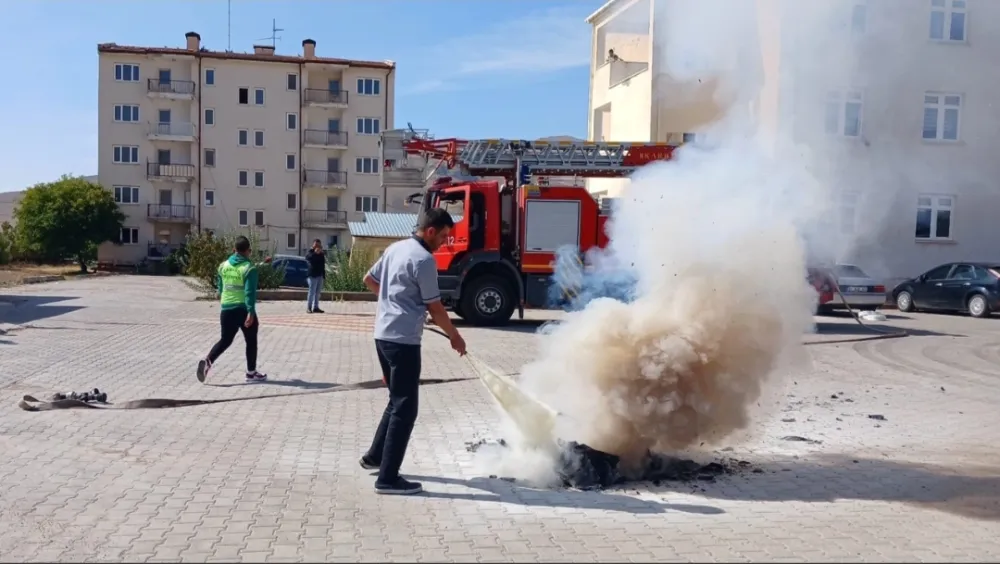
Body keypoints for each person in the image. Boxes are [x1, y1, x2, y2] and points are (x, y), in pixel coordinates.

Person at [359, 208, 467, 495]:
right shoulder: (424, 260)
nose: (445, 242)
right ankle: (387, 479)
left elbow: (368, 279)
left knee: (396, 400)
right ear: (430, 231)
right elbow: (435, 306)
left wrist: (394, 303)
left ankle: (375, 457)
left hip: (382, 335)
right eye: (443, 236)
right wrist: (454, 336)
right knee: (406, 408)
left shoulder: (396, 248)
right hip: (403, 342)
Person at [197, 235, 269, 383]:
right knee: (251, 340)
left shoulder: (223, 266)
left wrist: (223, 300)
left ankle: (208, 361)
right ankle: (251, 373)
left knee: (225, 340)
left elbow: (220, 286)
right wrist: (251, 311)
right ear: (249, 250)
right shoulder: (249, 268)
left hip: (226, 308)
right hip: (242, 309)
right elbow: (250, 293)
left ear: (233, 250)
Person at [305, 239, 326, 313]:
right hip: (312, 275)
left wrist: (323, 275)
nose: (317, 246)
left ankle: (316, 307)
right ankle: (309, 307)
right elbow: (308, 258)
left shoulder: (321, 254)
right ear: (313, 245)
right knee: (312, 292)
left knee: (318, 293)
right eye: (316, 245)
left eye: (318, 245)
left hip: (320, 275)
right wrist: (315, 252)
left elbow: (323, 264)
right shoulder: (310, 252)